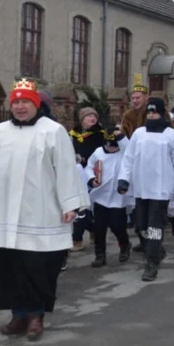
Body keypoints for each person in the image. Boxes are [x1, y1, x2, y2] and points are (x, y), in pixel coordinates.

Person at [0, 79, 88, 341]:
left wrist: (70, 204)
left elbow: (65, 168)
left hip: (40, 211)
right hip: (6, 213)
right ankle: (18, 315)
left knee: (37, 267)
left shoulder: (53, 131)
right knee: (10, 267)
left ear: (36, 105)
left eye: (25, 102)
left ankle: (35, 316)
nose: (20, 107)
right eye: (16, 102)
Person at [118, 97, 174, 282]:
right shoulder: (139, 134)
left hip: (161, 188)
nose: (151, 115)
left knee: (155, 227)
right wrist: (123, 180)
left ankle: (151, 263)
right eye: (149, 112)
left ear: (161, 113)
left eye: (155, 112)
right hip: (141, 188)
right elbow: (128, 158)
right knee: (141, 227)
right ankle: (156, 248)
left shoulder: (171, 135)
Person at [85, 131, 132, 267]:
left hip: (118, 197)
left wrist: (122, 137)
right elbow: (89, 166)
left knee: (118, 226)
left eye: (114, 147)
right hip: (101, 196)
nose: (111, 149)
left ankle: (124, 244)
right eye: (108, 147)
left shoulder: (124, 153)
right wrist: (91, 180)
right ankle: (100, 255)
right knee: (99, 228)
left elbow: (131, 150)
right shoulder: (98, 152)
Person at [69, 107, 109, 251]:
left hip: (93, 174)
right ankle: (93, 229)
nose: (92, 119)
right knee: (80, 205)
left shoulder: (100, 134)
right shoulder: (74, 134)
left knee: (81, 206)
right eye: (89, 116)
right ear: (82, 119)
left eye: (94, 116)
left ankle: (77, 239)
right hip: (77, 172)